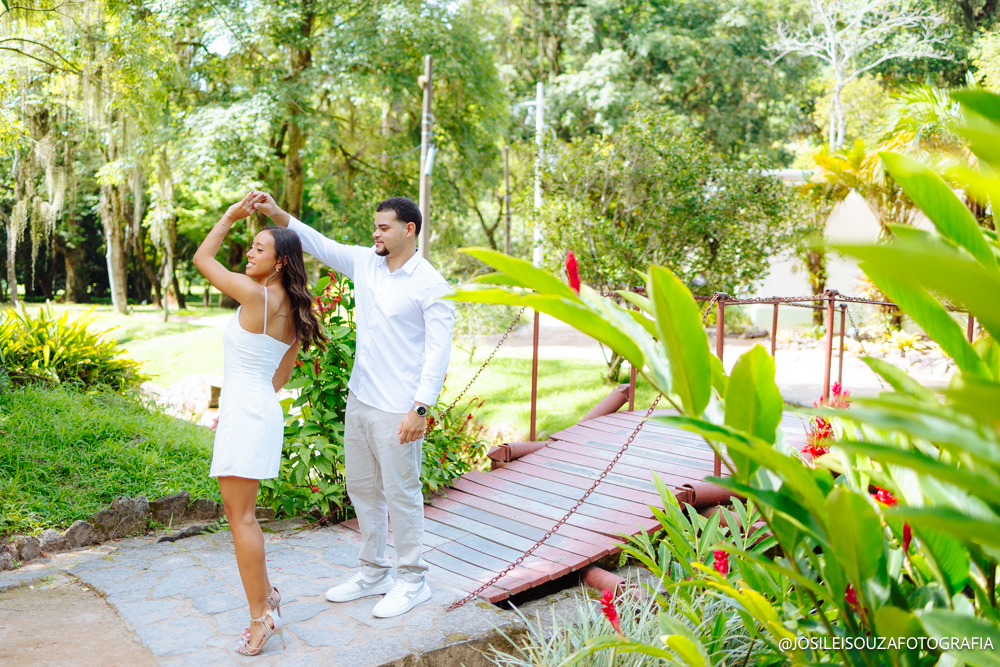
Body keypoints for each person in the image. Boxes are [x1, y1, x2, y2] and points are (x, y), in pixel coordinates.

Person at [252, 192, 455, 618]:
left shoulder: (431, 284)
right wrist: (275, 213)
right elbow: (317, 242)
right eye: (375, 226)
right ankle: (374, 572)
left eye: (384, 227)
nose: (375, 233)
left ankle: (413, 579)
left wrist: (420, 409)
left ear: (409, 230)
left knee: (401, 493)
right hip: (361, 400)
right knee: (362, 489)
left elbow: (438, 353)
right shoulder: (367, 263)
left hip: (399, 409)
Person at [193, 191, 327, 655]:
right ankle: (267, 596)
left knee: (241, 518)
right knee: (242, 515)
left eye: (258, 249)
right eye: (249, 246)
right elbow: (280, 377)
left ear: (280, 263)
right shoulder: (294, 313)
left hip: (246, 411)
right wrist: (244, 408)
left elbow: (202, 257)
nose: (249, 254)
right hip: (258, 409)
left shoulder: (254, 295)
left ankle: (261, 618)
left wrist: (230, 215)